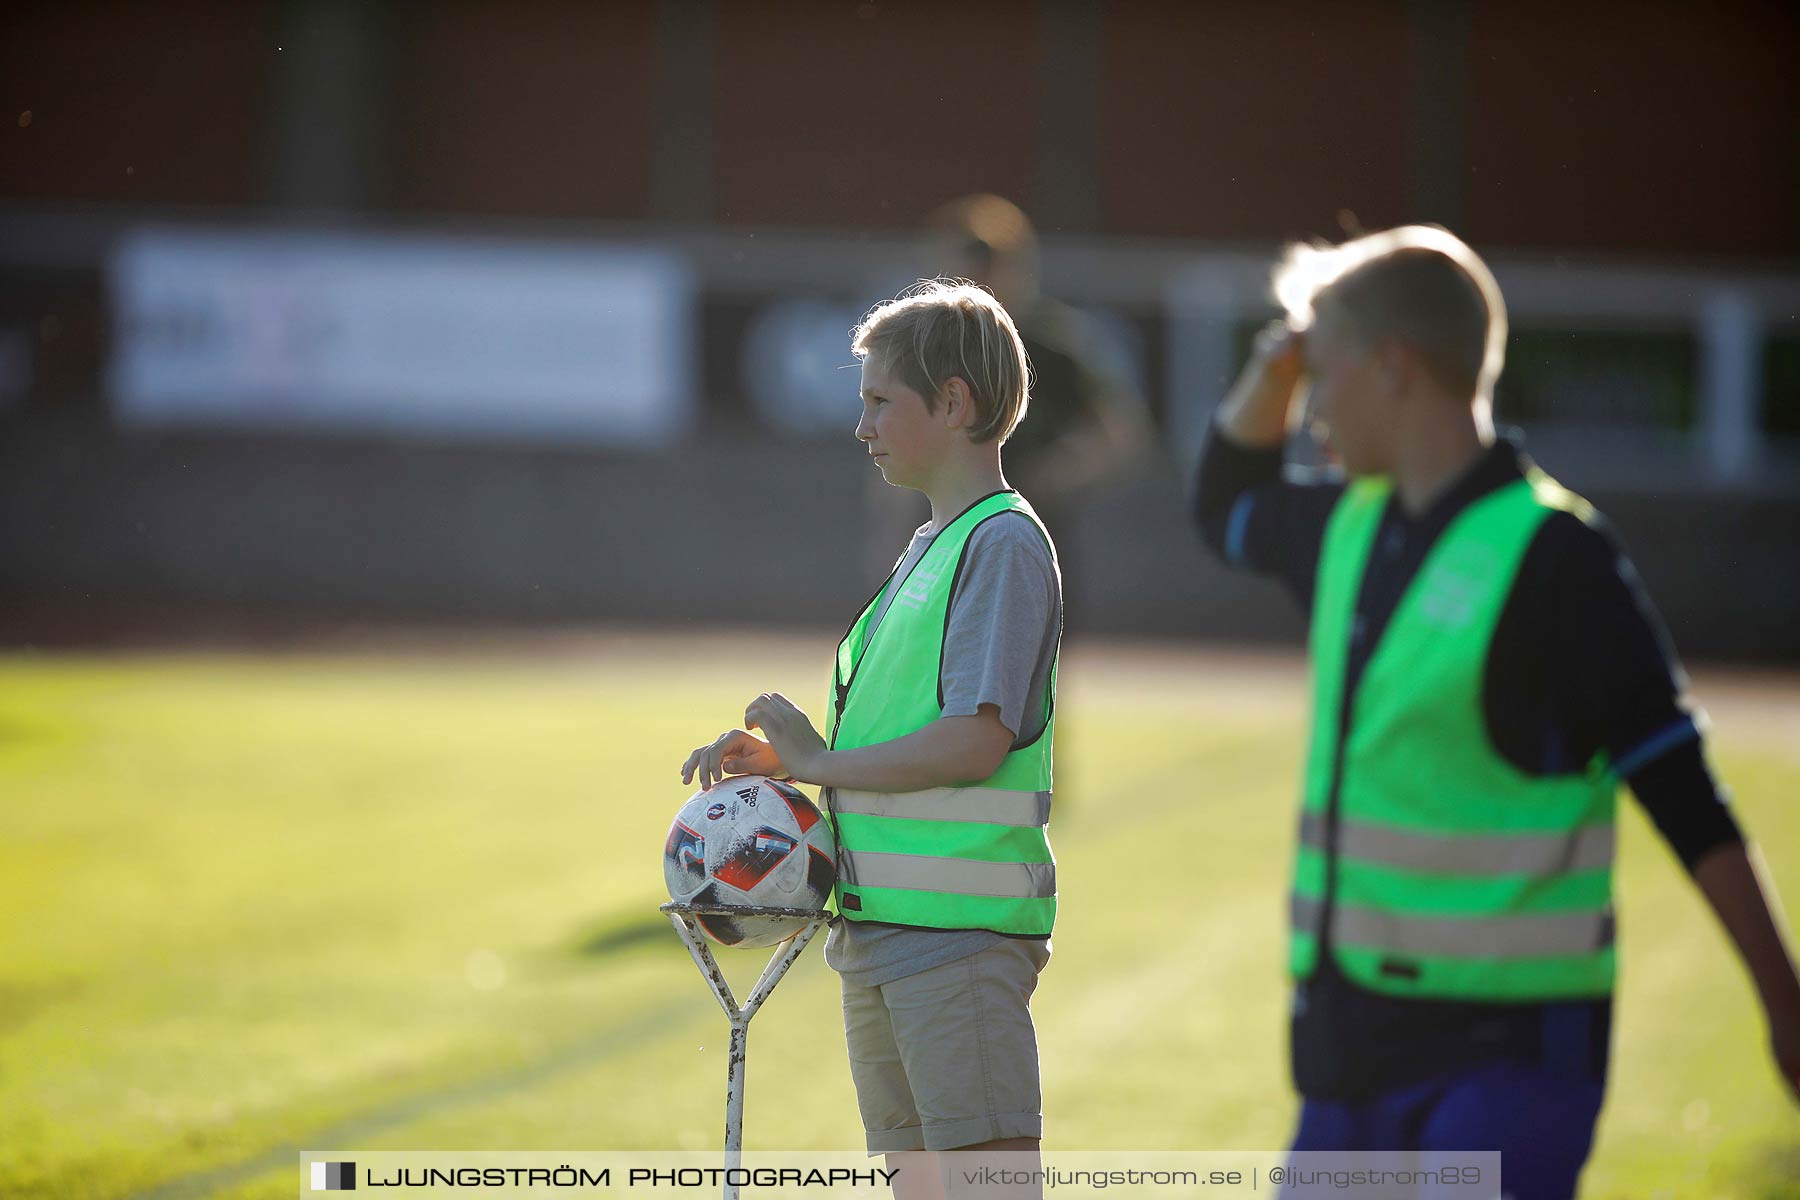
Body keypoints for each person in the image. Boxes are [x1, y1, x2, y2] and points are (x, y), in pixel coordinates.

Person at [1190, 225, 1800, 1199]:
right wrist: (1278, 362)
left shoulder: (1560, 559)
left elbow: (1682, 788)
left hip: (1510, 1059)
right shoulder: (1346, 527)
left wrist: (1784, 1004)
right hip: (1347, 1055)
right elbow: (1221, 496)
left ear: (1395, 368)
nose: (1307, 411)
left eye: (1323, 376)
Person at [683, 279, 1062, 1200]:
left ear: (955, 403)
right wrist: (790, 771)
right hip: (882, 935)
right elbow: (903, 729)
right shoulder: (930, 545)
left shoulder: (998, 543)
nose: (863, 427)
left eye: (880, 401)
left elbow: (975, 744)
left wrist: (820, 761)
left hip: (957, 942)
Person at [866, 194, 1151, 583]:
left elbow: (1121, 434)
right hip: (940, 539)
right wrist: (894, 545)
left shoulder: (1050, 345)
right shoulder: (924, 350)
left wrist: (1059, 473)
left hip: (1020, 539)